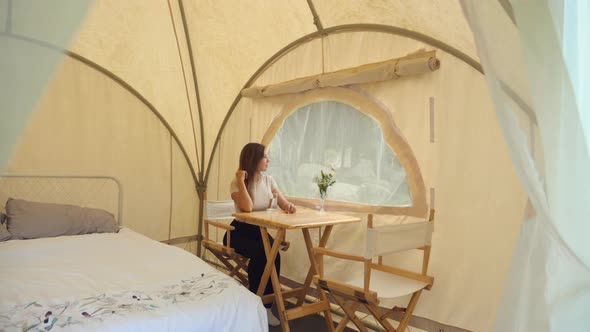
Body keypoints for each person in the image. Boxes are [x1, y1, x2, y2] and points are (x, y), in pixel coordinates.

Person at [223, 143, 296, 327]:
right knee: (262, 254)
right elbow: (247, 207)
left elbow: (282, 202)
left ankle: (265, 306)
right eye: (264, 157)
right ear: (254, 159)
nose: (268, 160)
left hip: (259, 231)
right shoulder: (237, 181)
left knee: (274, 256)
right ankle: (255, 304)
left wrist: (288, 206)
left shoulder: (269, 180)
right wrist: (241, 180)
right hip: (238, 232)